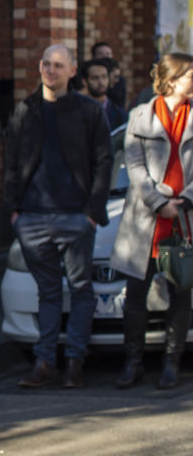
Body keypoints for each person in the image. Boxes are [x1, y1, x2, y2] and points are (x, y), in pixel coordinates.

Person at [5, 44, 113, 389]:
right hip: (32, 217)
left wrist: (93, 213)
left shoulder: (89, 111)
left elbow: (104, 161)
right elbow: (11, 160)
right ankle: (44, 362)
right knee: (47, 291)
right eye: (46, 64)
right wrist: (14, 211)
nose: (50, 71)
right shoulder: (27, 109)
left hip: (76, 216)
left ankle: (75, 362)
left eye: (58, 65)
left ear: (71, 71)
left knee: (81, 288)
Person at [110, 53, 193, 390]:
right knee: (136, 295)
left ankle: (171, 364)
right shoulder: (140, 116)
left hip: (184, 221)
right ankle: (134, 363)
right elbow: (134, 166)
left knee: (180, 294)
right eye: (190, 75)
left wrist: (185, 200)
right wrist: (160, 202)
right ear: (171, 79)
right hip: (145, 220)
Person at [82, 58, 128, 130]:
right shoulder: (75, 111)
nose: (101, 82)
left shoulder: (120, 115)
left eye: (104, 77)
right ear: (84, 81)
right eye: (95, 78)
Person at [93, 41, 127, 109]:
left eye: (108, 54)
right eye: (100, 54)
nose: (105, 57)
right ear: (94, 57)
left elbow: (120, 104)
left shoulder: (119, 80)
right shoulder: (89, 77)